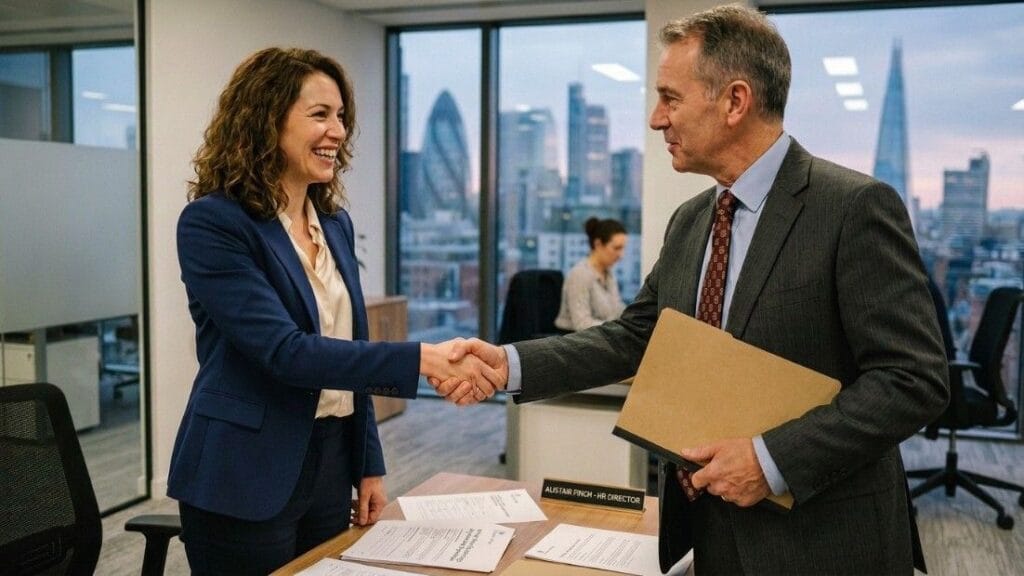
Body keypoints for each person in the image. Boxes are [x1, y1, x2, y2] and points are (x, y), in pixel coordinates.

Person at [437, 6, 949, 575]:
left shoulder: (852, 208)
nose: (657, 120)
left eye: (670, 98)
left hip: (821, 541)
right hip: (706, 530)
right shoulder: (691, 220)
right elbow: (636, 337)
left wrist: (770, 459)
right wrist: (506, 364)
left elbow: (913, 379)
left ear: (735, 101)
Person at [169, 47, 498, 575]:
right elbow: (286, 353)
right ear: (264, 119)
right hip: (243, 470)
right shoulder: (214, 224)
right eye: (320, 114)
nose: (339, 131)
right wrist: (423, 360)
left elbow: (347, 352)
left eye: (341, 116)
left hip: (329, 460)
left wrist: (368, 464)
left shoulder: (334, 223)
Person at [554, 217, 628, 331]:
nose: (621, 255)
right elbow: (581, 323)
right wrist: (616, 329)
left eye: (623, 249)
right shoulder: (580, 275)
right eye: (616, 248)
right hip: (574, 340)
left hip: (600, 337)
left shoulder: (609, 274)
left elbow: (617, 310)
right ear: (598, 244)